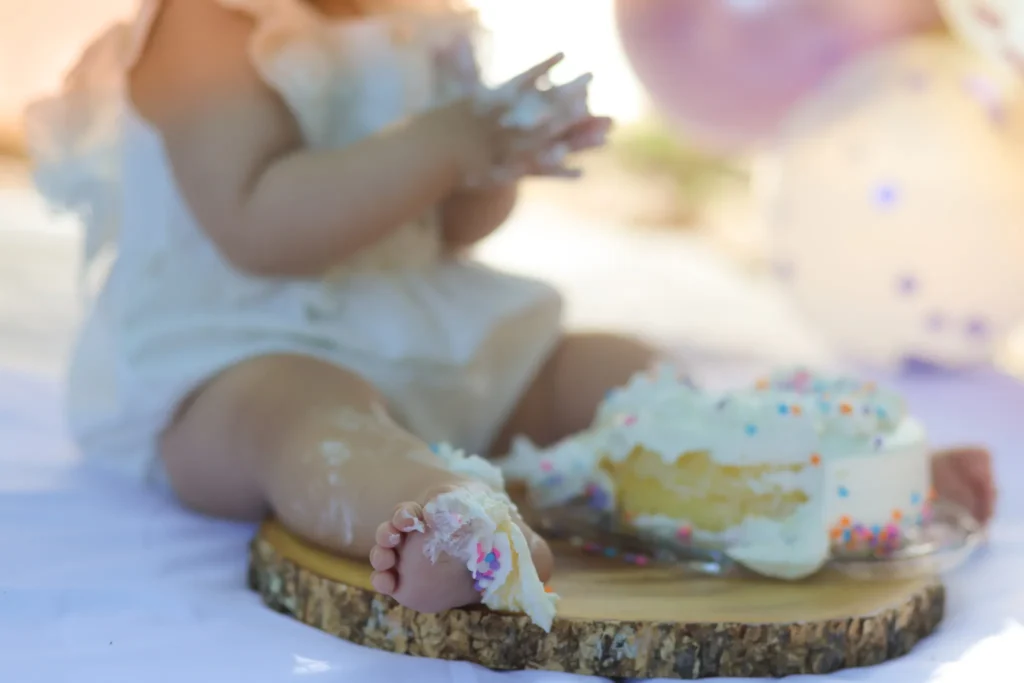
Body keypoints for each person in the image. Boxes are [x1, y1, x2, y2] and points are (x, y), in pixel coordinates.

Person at [25, 0, 995, 620]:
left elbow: (449, 229)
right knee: (306, 417)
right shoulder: (208, 30)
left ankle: (816, 481)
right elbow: (257, 224)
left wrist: (497, 160)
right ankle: (432, 518)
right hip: (232, 346)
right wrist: (442, 144)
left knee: (607, 363)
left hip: (414, 323)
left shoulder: (419, 24)